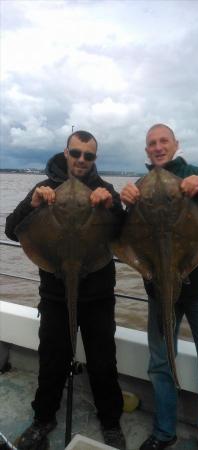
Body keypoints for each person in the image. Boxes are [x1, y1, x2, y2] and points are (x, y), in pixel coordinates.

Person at [120, 124, 198, 450]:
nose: (158, 147)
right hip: (160, 288)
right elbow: (121, 236)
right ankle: (165, 432)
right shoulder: (138, 187)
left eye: (164, 141)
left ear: (176, 144)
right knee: (161, 363)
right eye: (152, 143)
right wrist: (122, 203)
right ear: (146, 151)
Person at [5, 130, 126, 450]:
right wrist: (32, 205)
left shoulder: (104, 189)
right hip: (55, 293)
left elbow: (124, 232)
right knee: (52, 358)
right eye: (77, 153)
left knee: (103, 360)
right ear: (66, 153)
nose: (82, 160)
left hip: (98, 294)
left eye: (89, 155)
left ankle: (111, 422)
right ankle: (43, 418)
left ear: (94, 159)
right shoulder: (44, 189)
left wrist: (112, 204)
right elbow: (11, 230)